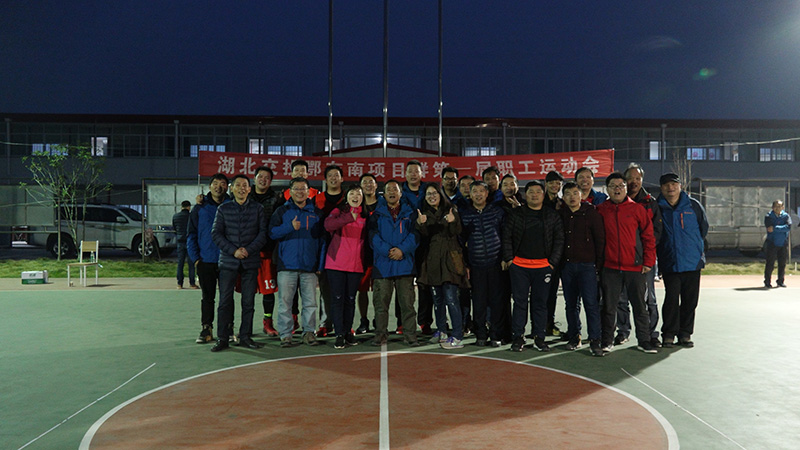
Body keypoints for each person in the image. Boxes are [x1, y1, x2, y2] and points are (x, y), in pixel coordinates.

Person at [597, 172, 657, 354]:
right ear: (607, 190)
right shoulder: (601, 210)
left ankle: (644, 341)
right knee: (609, 307)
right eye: (613, 186)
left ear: (626, 188)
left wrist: (648, 261)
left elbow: (648, 237)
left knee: (640, 306)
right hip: (610, 268)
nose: (617, 189)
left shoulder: (637, 209)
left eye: (620, 186)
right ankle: (607, 341)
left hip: (635, 267)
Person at [503, 180, 564, 352]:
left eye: (538, 192)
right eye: (531, 192)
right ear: (525, 195)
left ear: (543, 195)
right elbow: (506, 236)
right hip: (519, 266)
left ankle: (539, 337)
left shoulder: (552, 215)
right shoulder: (516, 214)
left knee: (540, 304)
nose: (534, 195)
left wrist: (552, 263)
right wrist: (510, 259)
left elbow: (559, 240)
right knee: (520, 303)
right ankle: (518, 337)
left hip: (543, 267)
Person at [210, 174, 268, 352]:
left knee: (248, 302)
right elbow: (216, 234)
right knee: (224, 301)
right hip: (228, 262)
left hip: (250, 262)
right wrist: (234, 251)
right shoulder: (223, 209)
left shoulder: (258, 209)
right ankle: (223, 338)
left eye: (245, 185)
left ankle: (245, 337)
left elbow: (263, 234)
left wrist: (248, 250)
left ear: (249, 189)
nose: (242, 188)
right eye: (238, 185)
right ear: (232, 189)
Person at [270, 177, 325, 348]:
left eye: (303, 189)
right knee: (285, 303)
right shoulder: (281, 211)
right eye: (296, 189)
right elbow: (271, 233)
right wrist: (289, 227)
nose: (300, 192)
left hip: (309, 266)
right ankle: (286, 335)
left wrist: (320, 265)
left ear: (309, 192)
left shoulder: (316, 213)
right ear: (290, 191)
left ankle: (309, 332)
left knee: (310, 303)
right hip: (287, 266)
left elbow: (323, 241)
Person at [657, 173, 708, 348]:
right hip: (670, 262)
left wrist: (694, 248)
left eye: (673, 184)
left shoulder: (693, 206)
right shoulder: (657, 207)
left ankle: (685, 334)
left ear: (680, 186)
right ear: (661, 188)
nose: (670, 188)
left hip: (692, 262)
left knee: (690, 301)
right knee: (671, 300)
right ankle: (668, 334)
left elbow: (703, 228)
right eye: (666, 185)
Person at [615, 163, 664, 347]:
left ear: (642, 180)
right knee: (621, 298)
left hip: (644, 259)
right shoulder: (617, 201)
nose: (634, 182)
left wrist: (644, 253)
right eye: (630, 178)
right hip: (622, 259)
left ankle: (651, 334)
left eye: (638, 178)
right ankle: (623, 331)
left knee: (648, 298)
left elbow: (656, 232)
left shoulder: (650, 203)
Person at [416, 183, 468, 349]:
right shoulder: (423, 214)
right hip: (433, 261)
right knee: (437, 300)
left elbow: (457, 231)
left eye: (434, 193)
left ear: (440, 194)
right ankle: (441, 330)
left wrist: (453, 221)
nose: (432, 196)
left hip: (450, 260)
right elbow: (424, 236)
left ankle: (457, 335)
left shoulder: (451, 210)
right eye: (428, 194)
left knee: (451, 298)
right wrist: (421, 224)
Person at [369, 179, 421, 347]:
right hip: (382, 265)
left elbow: (415, 235)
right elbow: (373, 237)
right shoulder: (376, 214)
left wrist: (402, 250)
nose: (392, 192)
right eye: (388, 190)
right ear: (384, 194)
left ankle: (410, 335)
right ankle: (380, 335)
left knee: (407, 304)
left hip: (404, 264)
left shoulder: (410, 213)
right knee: (380, 304)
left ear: (400, 193)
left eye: (395, 189)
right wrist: (388, 251)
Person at [559, 182, 605, 356]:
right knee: (571, 304)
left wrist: (597, 265)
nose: (572, 197)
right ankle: (574, 337)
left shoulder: (591, 213)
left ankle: (595, 340)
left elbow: (600, 240)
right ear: (563, 197)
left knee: (591, 304)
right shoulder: (561, 214)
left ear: (581, 195)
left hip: (587, 266)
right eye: (568, 194)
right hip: (567, 266)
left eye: (575, 193)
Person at [460, 180, 506, 347]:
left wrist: (505, 258)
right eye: (475, 191)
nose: (478, 194)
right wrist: (466, 264)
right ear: (470, 194)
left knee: (496, 301)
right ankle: (480, 334)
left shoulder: (497, 211)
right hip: (476, 265)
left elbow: (505, 236)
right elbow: (461, 241)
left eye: (481, 191)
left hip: (495, 264)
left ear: (487, 194)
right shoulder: (464, 214)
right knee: (478, 302)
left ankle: (495, 335)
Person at [187, 173, 231, 344]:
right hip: (206, 260)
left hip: (228, 260)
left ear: (227, 187)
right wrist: (196, 259)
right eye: (215, 183)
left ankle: (228, 328)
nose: (219, 186)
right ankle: (207, 328)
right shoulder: (199, 208)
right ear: (210, 186)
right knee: (208, 297)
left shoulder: (233, 205)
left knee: (227, 298)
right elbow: (191, 234)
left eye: (223, 183)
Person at [324, 184, 369, 349]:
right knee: (337, 300)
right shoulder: (339, 212)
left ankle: (348, 331)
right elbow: (328, 225)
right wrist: (349, 217)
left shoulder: (366, 215)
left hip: (356, 265)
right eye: (352, 193)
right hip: (336, 264)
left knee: (350, 300)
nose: (355, 197)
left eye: (358, 194)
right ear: (346, 196)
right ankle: (339, 334)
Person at [249, 166, 283, 337]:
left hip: (268, 252)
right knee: (247, 292)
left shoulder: (277, 199)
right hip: (248, 253)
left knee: (268, 291)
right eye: (260, 176)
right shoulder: (245, 195)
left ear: (271, 181)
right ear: (254, 178)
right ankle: (245, 325)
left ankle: (267, 322)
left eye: (267, 178)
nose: (263, 180)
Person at [315, 164, 346, 337]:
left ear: (342, 178)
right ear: (325, 180)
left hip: (346, 248)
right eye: (330, 175)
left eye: (336, 175)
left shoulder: (348, 198)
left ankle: (345, 323)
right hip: (324, 249)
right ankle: (325, 323)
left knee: (344, 290)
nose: (333, 178)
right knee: (325, 288)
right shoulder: (317, 199)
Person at [403, 160, 430, 335]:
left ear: (421, 174)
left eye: (416, 171)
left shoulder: (429, 190)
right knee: (403, 284)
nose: (413, 174)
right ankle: (402, 322)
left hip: (426, 243)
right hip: (405, 242)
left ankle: (425, 321)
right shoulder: (399, 191)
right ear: (405, 174)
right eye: (410, 171)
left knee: (425, 284)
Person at [355, 173, 380, 334]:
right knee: (362, 290)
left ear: (376, 185)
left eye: (371, 182)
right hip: (361, 255)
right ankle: (364, 320)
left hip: (380, 255)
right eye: (365, 182)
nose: (368, 185)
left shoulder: (383, 204)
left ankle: (379, 320)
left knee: (379, 292)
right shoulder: (357, 205)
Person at [543, 170, 565, 337]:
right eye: (551, 182)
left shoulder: (562, 204)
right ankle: (538, 326)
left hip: (557, 256)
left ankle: (549, 324)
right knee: (540, 294)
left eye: (558, 183)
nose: (554, 186)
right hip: (540, 254)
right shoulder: (539, 202)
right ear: (546, 184)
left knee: (552, 294)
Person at [764, 200, 791, 288]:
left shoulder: (786, 216)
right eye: (776, 206)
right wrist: (781, 228)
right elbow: (769, 228)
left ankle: (780, 281)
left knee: (782, 263)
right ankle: (767, 281)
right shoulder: (769, 216)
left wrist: (776, 228)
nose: (778, 208)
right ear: (772, 207)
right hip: (772, 242)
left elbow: (788, 227)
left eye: (780, 206)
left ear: (783, 207)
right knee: (770, 263)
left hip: (783, 243)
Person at [172, 200, 197, 289]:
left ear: (181, 207)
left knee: (180, 263)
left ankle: (179, 283)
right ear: (189, 207)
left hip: (180, 241)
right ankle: (192, 283)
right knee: (191, 264)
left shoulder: (176, 216)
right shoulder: (191, 216)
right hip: (190, 242)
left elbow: (175, 228)